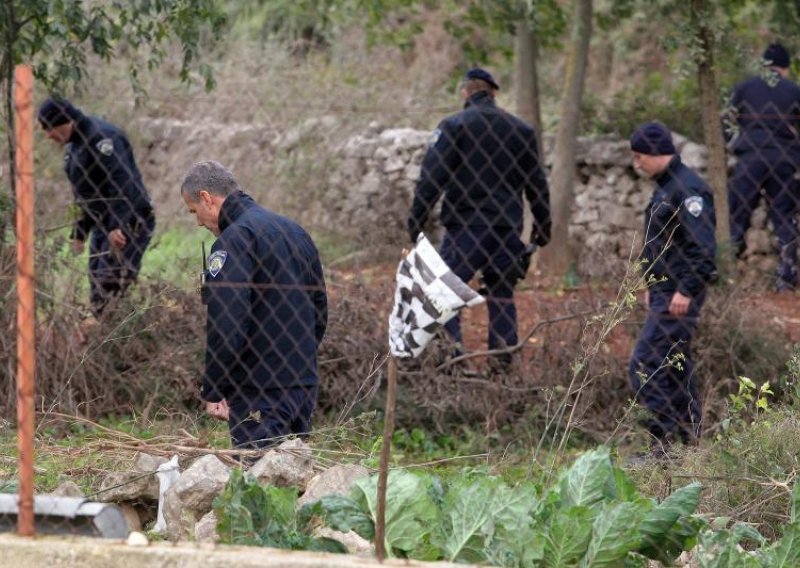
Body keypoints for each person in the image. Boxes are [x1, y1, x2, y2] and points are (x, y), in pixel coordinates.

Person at [406, 67, 550, 369]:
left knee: (444, 294)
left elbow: (432, 178)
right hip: (506, 228)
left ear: (465, 92)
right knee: (501, 296)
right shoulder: (521, 131)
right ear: (493, 93)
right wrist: (542, 226)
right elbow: (536, 182)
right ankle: (502, 365)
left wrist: (416, 220)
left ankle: (452, 361)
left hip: (465, 227)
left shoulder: (454, 126)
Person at [180, 161, 328, 450]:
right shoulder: (295, 232)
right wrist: (299, 361)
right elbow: (319, 309)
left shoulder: (233, 241)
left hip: (258, 389)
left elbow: (227, 321)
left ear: (207, 198)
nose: (197, 222)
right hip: (302, 386)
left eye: (193, 210)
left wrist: (215, 387)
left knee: (256, 481)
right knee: (292, 481)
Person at [628, 122, 717, 455]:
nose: (637, 164)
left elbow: (703, 248)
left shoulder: (689, 191)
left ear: (654, 152)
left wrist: (686, 290)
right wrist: (652, 283)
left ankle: (663, 442)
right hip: (667, 291)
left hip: (679, 294)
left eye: (639, 157)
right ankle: (686, 441)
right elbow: (663, 244)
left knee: (645, 362)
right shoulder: (667, 186)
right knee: (675, 363)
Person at [37, 97, 155, 315]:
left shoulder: (102, 138)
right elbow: (85, 195)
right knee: (96, 281)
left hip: (130, 218)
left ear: (64, 121)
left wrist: (117, 226)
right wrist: (79, 233)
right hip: (104, 224)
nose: (48, 135)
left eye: (49, 129)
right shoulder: (74, 148)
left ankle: (116, 336)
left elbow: (123, 184)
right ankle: (103, 334)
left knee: (112, 280)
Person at [726, 42, 800, 292]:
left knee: (738, 215)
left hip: (750, 159)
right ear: (785, 68)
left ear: (764, 65)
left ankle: (725, 272)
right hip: (783, 162)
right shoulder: (794, 91)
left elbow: (727, 121)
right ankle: (786, 279)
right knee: (784, 217)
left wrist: (732, 145)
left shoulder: (745, 87)